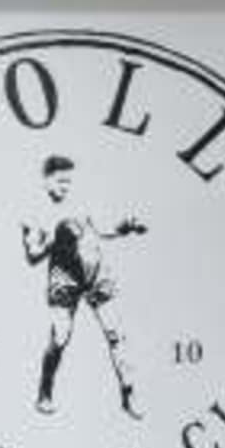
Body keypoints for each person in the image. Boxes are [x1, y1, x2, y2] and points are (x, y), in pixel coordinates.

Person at [21, 153, 148, 417]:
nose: (65, 187)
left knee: (117, 336)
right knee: (60, 337)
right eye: (60, 182)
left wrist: (126, 226)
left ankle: (129, 393)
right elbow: (32, 256)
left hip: (96, 273)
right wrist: (52, 239)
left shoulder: (83, 202)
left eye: (69, 182)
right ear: (45, 182)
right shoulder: (35, 213)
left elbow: (104, 230)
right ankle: (45, 391)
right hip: (64, 279)